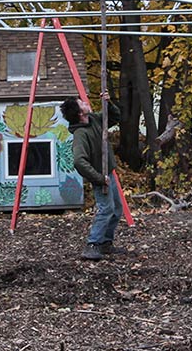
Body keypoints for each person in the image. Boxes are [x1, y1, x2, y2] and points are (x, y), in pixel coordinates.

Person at [60, 91, 123, 261]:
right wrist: (99, 178)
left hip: (109, 173)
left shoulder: (94, 119)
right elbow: (79, 161)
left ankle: (105, 244)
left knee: (117, 209)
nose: (86, 103)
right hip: (100, 178)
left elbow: (115, 117)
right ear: (80, 113)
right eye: (82, 103)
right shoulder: (80, 135)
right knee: (106, 209)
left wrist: (108, 103)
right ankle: (92, 244)